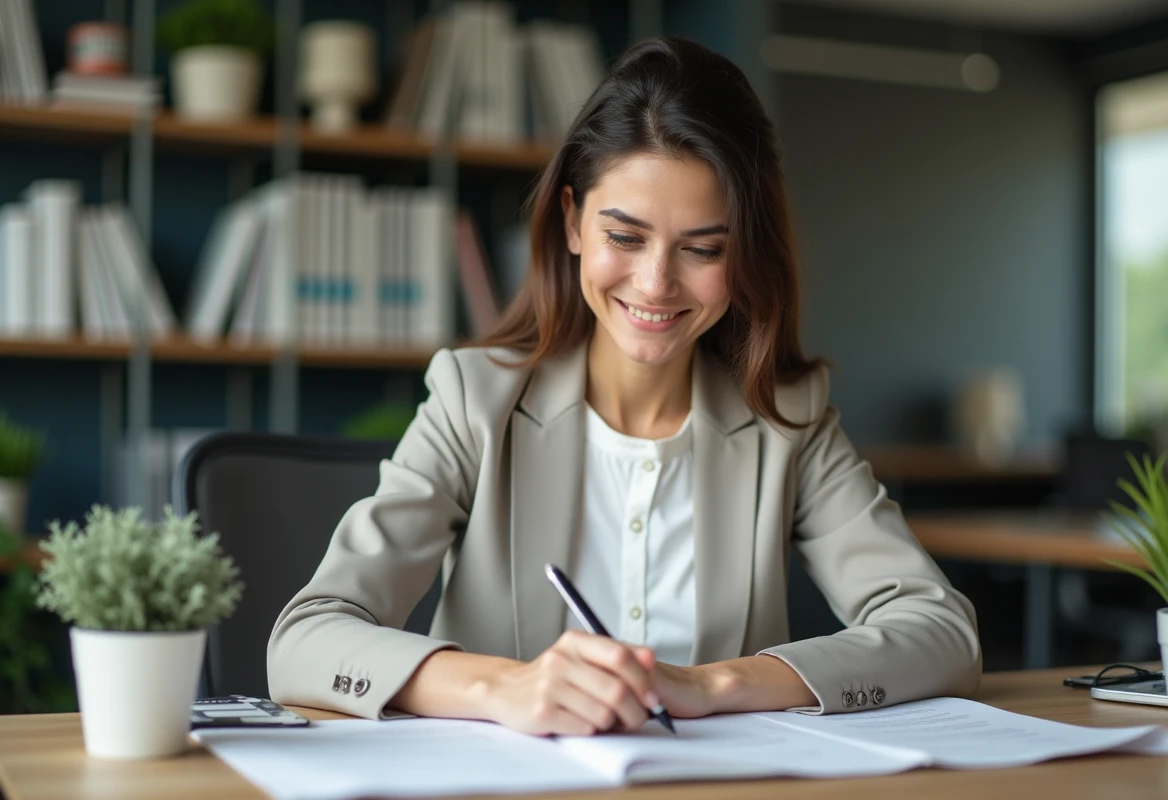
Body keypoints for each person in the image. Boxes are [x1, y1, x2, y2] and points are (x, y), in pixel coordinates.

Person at [268, 36, 980, 736]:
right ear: (573, 221)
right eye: (626, 237)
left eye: (703, 249)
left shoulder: (787, 418)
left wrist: (715, 684)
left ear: (745, 254)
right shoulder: (474, 401)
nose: (655, 282)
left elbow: (942, 632)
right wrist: (503, 686)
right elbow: (305, 640)